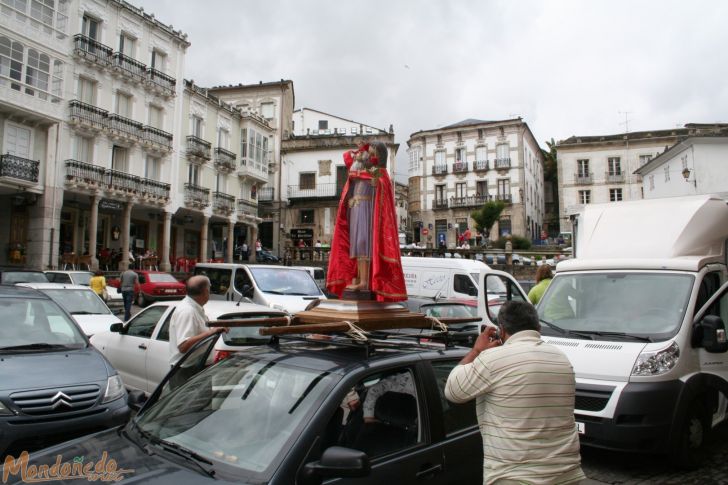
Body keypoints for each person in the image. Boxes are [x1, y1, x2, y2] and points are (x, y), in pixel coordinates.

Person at [445, 301, 585, 485]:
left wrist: (477, 350)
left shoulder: (493, 359)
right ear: (538, 328)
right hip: (567, 475)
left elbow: (453, 390)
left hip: (516, 478)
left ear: (501, 331)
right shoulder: (561, 358)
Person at [327, 139, 405, 301]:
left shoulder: (377, 171)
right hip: (355, 208)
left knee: (363, 243)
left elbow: (379, 182)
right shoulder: (362, 166)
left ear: (378, 154)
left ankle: (364, 282)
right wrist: (361, 151)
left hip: (367, 209)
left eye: (372, 151)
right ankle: (358, 278)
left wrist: (367, 166)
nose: (368, 154)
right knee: (355, 245)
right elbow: (348, 157)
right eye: (369, 150)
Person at [169, 275, 228, 367]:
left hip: (195, 369)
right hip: (187, 371)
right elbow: (183, 346)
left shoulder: (193, 308)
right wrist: (212, 332)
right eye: (209, 288)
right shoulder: (187, 311)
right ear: (206, 291)